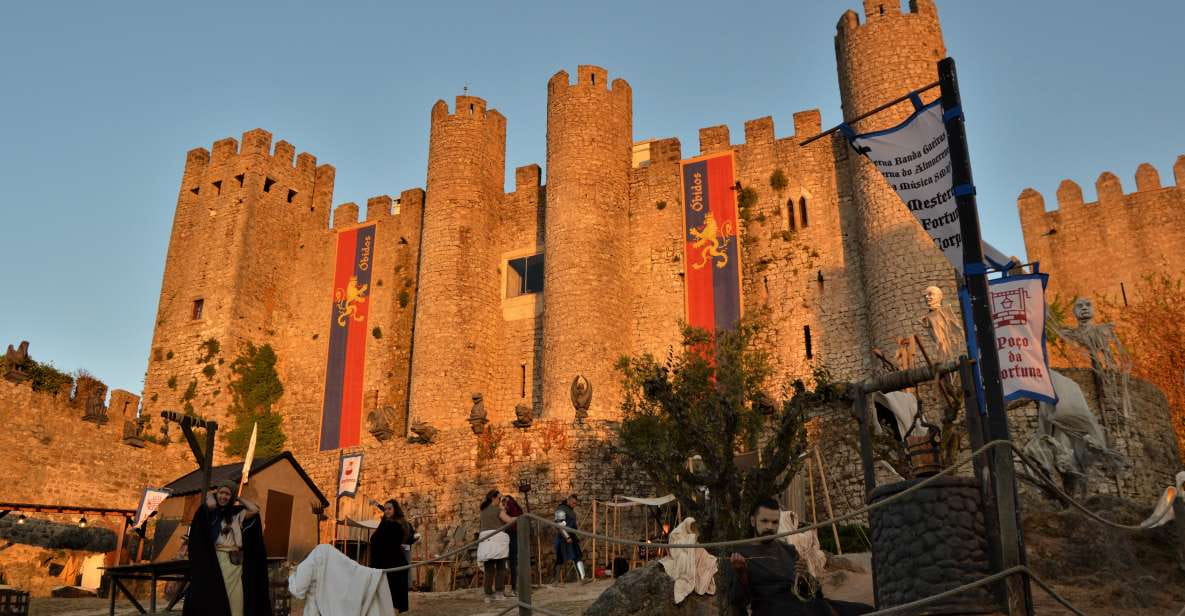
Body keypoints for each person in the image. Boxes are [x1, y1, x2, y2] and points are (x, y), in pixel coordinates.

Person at [729, 498, 872, 616]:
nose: (770, 527)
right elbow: (737, 601)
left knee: (869, 610)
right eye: (764, 521)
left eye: (775, 522)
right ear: (753, 521)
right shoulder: (741, 553)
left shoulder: (788, 549)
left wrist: (804, 577)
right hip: (773, 611)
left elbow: (815, 593)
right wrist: (741, 574)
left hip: (808, 607)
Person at [183, 480, 271, 616]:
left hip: (234, 562)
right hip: (215, 561)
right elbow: (206, 514)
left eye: (228, 494)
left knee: (236, 596)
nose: (223, 496)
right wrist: (211, 496)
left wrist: (238, 497)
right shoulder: (210, 512)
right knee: (216, 595)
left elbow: (254, 509)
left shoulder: (237, 515)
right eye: (221, 493)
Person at [368, 498, 417, 613]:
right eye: (385, 509)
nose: (387, 511)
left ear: (395, 509)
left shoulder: (401, 524)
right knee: (387, 596)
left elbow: (409, 538)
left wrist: (414, 538)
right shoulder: (387, 523)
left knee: (394, 596)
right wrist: (378, 505)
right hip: (387, 562)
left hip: (395, 563)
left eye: (389, 509)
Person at [477, 490, 511, 603]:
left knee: (489, 569)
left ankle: (488, 595)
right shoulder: (497, 510)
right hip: (497, 540)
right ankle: (499, 593)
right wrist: (519, 518)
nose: (500, 500)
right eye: (499, 498)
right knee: (501, 568)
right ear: (493, 498)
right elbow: (509, 520)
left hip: (485, 541)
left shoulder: (483, 510)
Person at [553, 494, 590, 583]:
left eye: (575, 503)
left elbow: (573, 526)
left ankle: (583, 578)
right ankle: (556, 580)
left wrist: (575, 536)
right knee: (560, 559)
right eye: (573, 503)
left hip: (571, 536)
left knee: (577, 556)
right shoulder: (560, 509)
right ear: (568, 500)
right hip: (563, 538)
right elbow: (559, 525)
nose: (574, 505)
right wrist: (567, 537)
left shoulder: (570, 510)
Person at [499, 494, 524, 592]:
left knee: (512, 561)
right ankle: (517, 585)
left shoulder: (509, 504)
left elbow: (507, 519)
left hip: (511, 535)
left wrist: (503, 507)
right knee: (515, 561)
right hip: (518, 534)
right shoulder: (516, 506)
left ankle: (515, 586)